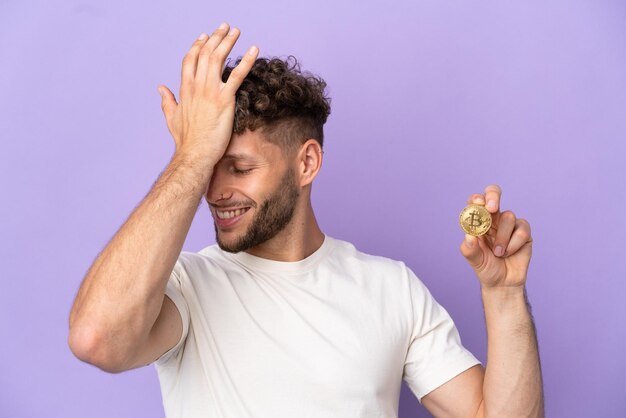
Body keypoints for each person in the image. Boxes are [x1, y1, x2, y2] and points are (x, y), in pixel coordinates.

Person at [68, 22, 544, 417]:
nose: (215, 191)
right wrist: (191, 155)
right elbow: (97, 339)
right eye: (207, 170)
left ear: (307, 163)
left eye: (239, 167)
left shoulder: (390, 288)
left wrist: (504, 297)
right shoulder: (185, 288)